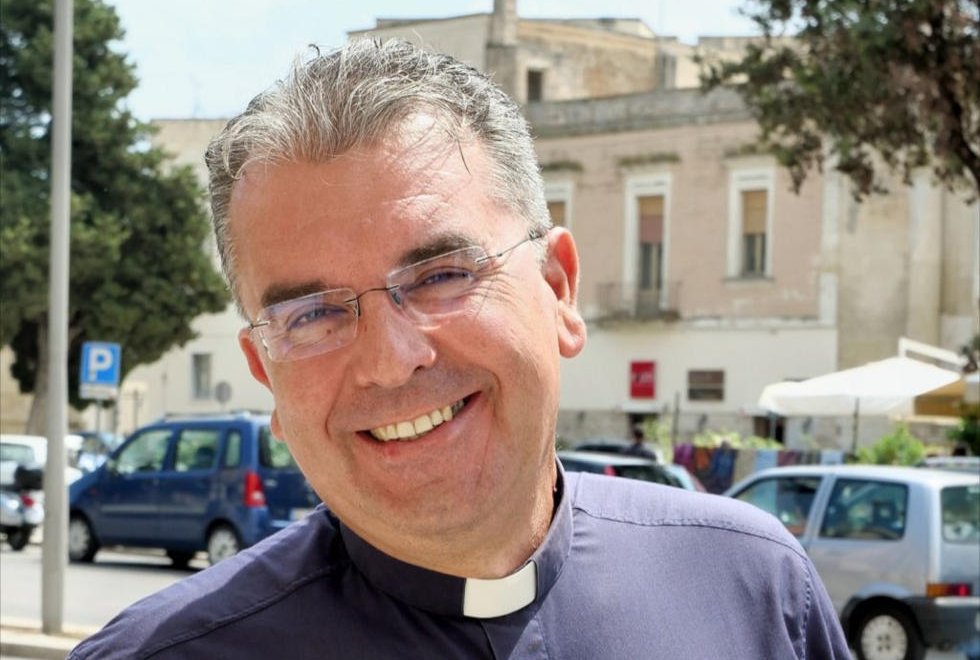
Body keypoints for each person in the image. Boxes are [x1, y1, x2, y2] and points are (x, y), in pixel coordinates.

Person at [68, 39, 850, 659]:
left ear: (559, 289)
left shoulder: (753, 589)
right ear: (265, 373)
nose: (391, 358)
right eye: (312, 314)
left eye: (441, 275)